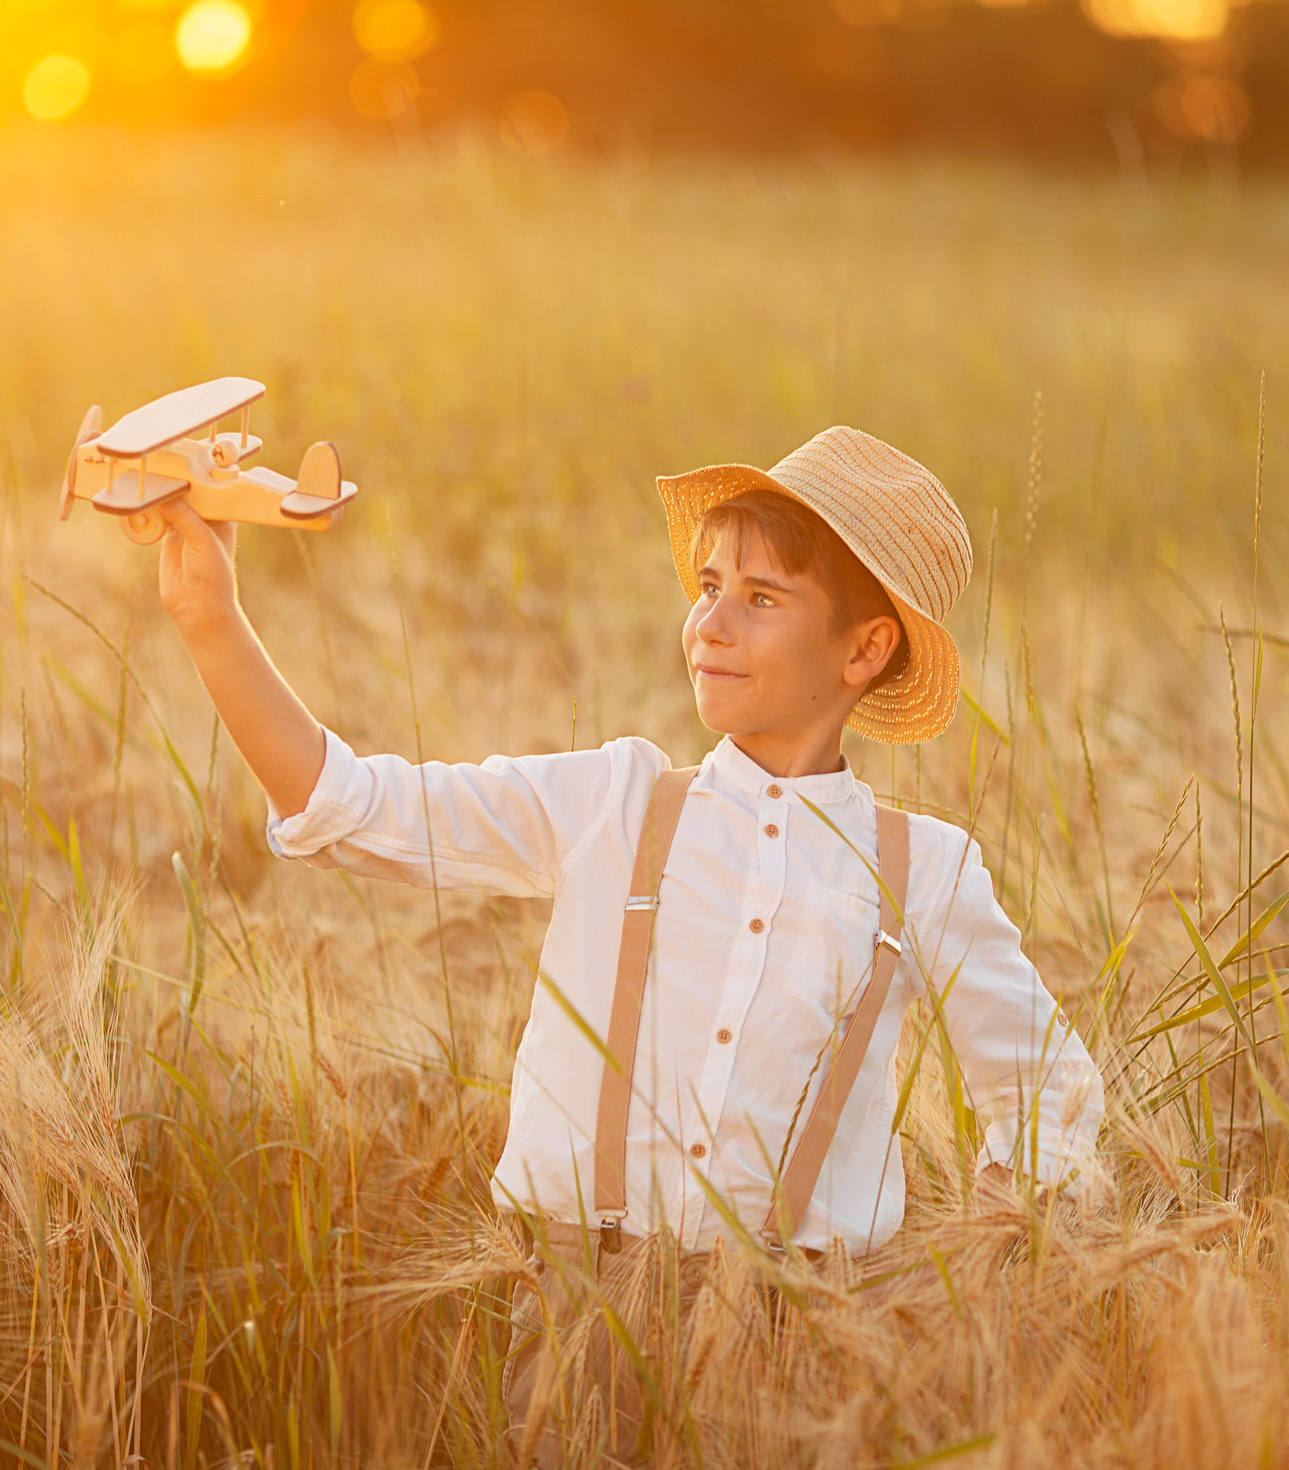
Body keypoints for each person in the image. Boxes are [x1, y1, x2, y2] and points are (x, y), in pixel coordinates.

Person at [155, 425, 1104, 1465]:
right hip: (573, 1317)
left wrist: (958, 1291)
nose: (710, 622)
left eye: (761, 597)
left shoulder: (924, 869)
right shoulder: (611, 803)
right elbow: (350, 806)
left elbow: (1047, 1089)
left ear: (864, 649)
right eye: (706, 584)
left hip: (798, 1353)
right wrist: (211, 622)